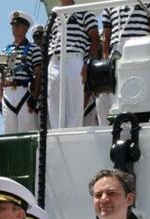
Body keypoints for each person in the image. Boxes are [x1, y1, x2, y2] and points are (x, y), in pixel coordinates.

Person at [96, 1, 150, 124]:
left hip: (140, 48)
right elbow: (106, 35)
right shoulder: (110, 3)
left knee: (137, 93)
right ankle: (116, 125)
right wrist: (105, 60)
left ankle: (136, 123)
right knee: (113, 97)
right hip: (116, 51)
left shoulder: (149, 1)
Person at [47, 0, 100, 129]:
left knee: (74, 108)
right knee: (54, 107)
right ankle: (58, 137)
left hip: (74, 58)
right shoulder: (54, 15)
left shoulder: (84, 12)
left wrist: (88, 63)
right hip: (54, 60)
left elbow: (95, 38)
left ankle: (72, 137)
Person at [1, 11, 42, 134]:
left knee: (27, 133)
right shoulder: (5, 50)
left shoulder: (34, 49)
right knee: (8, 133)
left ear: (26, 28)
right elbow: (2, 74)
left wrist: (35, 97)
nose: (15, 28)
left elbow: (39, 74)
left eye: (18, 25)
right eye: (13, 25)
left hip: (24, 93)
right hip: (7, 93)